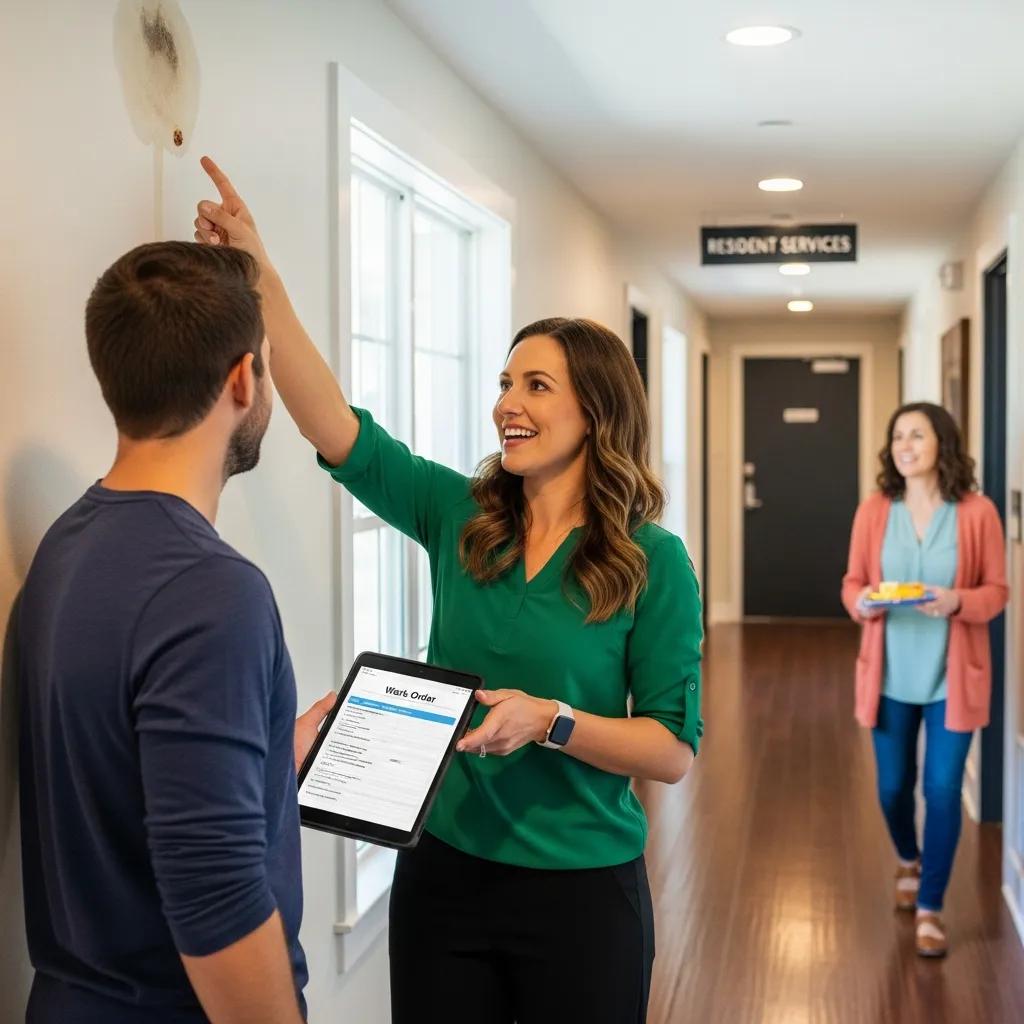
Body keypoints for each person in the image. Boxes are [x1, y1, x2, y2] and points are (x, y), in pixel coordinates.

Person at [194, 157, 703, 1024]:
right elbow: (335, 425)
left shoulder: (653, 562)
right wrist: (258, 271)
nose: (507, 403)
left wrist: (552, 721)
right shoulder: (461, 513)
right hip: (443, 872)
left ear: (596, 412)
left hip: (582, 894)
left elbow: (670, 750)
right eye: (505, 383)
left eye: (536, 386)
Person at [17, 241, 335, 1023]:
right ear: (243, 379)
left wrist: (269, 757)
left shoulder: (68, 542)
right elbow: (216, 897)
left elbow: (122, 766)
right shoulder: (212, 593)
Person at [841, 401, 1007, 958]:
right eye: (897, 437)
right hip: (888, 676)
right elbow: (853, 583)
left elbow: (998, 592)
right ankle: (907, 858)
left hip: (951, 681)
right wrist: (863, 602)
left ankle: (931, 906)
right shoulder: (874, 511)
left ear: (943, 443)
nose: (904, 446)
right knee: (892, 789)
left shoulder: (977, 512)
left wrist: (958, 600)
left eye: (917, 435)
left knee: (941, 790)